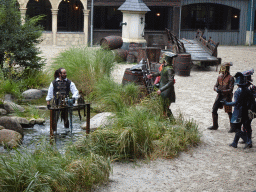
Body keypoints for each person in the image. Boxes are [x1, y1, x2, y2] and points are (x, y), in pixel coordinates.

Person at [224, 72, 255, 149]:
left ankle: (248, 141)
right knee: (245, 126)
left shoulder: (238, 91)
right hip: (247, 111)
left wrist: (226, 103)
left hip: (239, 112)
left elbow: (235, 103)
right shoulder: (247, 90)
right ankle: (235, 142)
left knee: (236, 128)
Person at [148, 52, 177, 118]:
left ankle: (171, 120)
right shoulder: (165, 67)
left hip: (167, 91)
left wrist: (161, 89)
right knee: (163, 106)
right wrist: (152, 75)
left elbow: (171, 82)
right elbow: (161, 73)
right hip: (163, 89)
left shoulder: (169, 69)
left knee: (166, 107)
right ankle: (165, 118)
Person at [207, 62, 234, 132]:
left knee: (229, 112)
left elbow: (230, 89)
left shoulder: (231, 78)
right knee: (214, 110)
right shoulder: (219, 77)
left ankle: (233, 127)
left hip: (227, 97)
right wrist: (217, 89)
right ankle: (215, 125)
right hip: (219, 96)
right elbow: (215, 86)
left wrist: (222, 91)